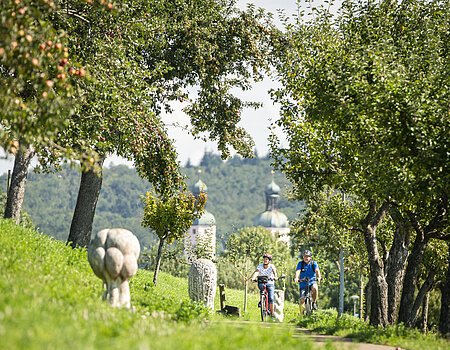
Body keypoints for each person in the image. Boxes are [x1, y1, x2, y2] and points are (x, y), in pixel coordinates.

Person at [251, 252, 278, 317]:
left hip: (270, 282)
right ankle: (262, 300)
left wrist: (275, 276)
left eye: (267, 259)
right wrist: (253, 278)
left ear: (269, 260)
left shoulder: (272, 266)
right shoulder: (260, 266)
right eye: (264, 259)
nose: (265, 260)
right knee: (262, 289)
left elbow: (274, 272)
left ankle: (272, 313)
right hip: (261, 282)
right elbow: (257, 272)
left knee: (271, 298)